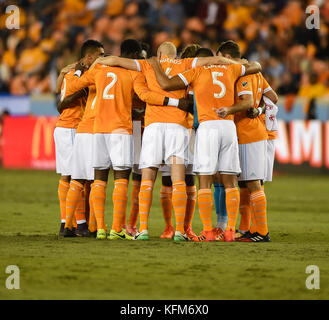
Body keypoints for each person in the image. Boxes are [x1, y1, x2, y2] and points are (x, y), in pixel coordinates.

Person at [92, 41, 239, 241]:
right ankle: (180, 231)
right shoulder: (185, 63)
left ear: (159, 53)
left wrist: (97, 62)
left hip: (153, 127)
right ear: (175, 55)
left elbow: (116, 60)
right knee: (178, 179)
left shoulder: (148, 64)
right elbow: (214, 59)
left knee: (148, 178)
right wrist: (233, 61)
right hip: (178, 127)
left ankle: (142, 229)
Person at [60, 39, 187, 240]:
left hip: (98, 129)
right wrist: (172, 102)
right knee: (121, 179)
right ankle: (116, 229)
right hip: (120, 129)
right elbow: (144, 96)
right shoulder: (134, 73)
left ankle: (100, 228)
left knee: (99, 179)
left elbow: (73, 86)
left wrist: (76, 70)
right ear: (135, 55)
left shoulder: (99, 68)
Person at [148, 43, 261, 241]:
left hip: (208, 127)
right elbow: (256, 66)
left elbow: (166, 84)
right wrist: (237, 61)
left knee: (205, 180)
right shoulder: (231, 68)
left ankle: (208, 231)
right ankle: (230, 232)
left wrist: (156, 65)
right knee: (229, 180)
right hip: (228, 126)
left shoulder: (195, 71)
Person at [217, 40, 278, 242]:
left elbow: (248, 101)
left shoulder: (243, 74)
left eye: (219, 58)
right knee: (245, 184)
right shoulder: (256, 72)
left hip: (248, 134)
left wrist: (229, 110)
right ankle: (246, 228)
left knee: (253, 183)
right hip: (253, 132)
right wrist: (260, 111)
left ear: (226, 57)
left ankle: (262, 232)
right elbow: (273, 97)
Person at [54, 39, 104, 236]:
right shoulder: (78, 74)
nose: (103, 58)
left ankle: (77, 223)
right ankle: (71, 223)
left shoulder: (71, 72)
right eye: (100, 55)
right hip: (71, 127)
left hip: (74, 128)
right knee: (73, 176)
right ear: (89, 57)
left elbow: (59, 91)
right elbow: (65, 99)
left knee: (79, 178)